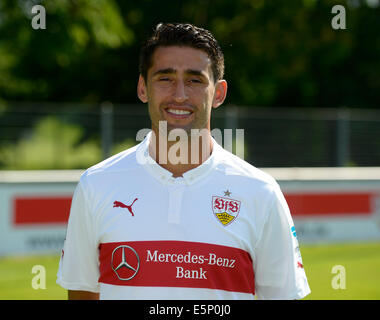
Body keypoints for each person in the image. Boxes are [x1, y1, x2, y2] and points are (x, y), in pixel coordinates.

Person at [57, 22, 311, 300]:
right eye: (165, 78)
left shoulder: (260, 192)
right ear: (143, 88)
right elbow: (82, 293)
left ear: (219, 93)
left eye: (195, 80)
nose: (179, 94)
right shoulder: (97, 184)